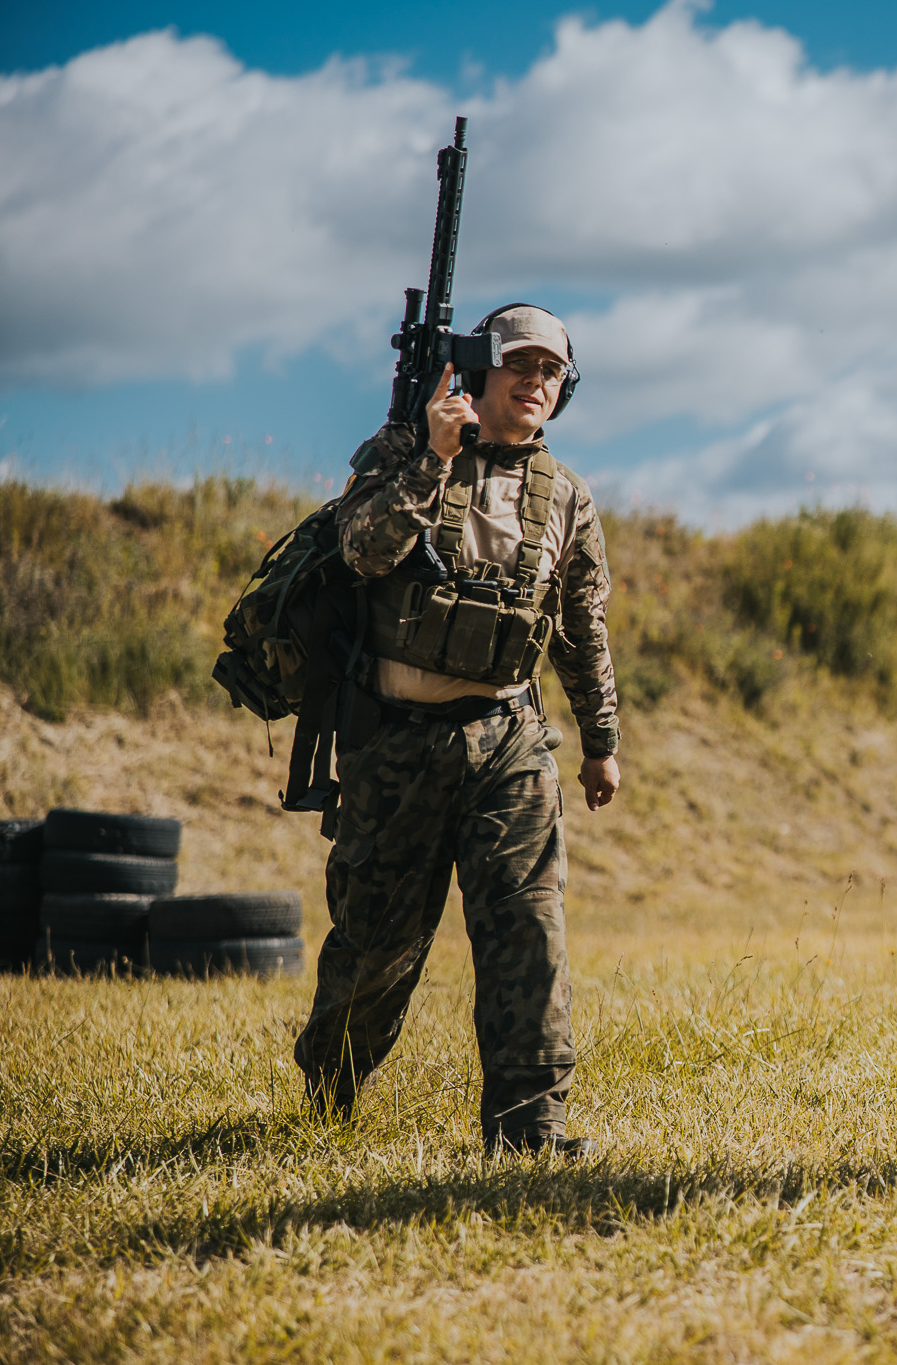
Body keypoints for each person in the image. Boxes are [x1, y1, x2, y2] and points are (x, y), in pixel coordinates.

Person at [294, 304, 621, 1158]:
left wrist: (602, 740)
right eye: (520, 363)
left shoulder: (567, 498)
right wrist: (432, 458)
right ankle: (331, 1085)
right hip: (397, 741)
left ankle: (530, 1130)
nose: (536, 381)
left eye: (552, 370)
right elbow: (361, 550)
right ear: (477, 370)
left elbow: (583, 626)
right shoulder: (406, 452)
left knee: (527, 932)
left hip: (510, 741)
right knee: (380, 947)